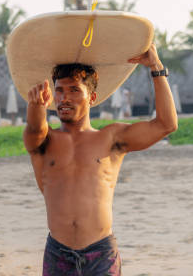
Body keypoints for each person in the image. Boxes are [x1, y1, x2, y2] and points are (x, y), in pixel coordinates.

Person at [23, 43, 177, 275]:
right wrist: (35, 107)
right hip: (58, 253)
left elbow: (166, 125)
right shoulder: (44, 142)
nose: (64, 98)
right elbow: (34, 129)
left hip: (101, 253)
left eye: (74, 90)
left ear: (92, 97)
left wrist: (156, 68)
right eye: (60, 90)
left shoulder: (111, 138)